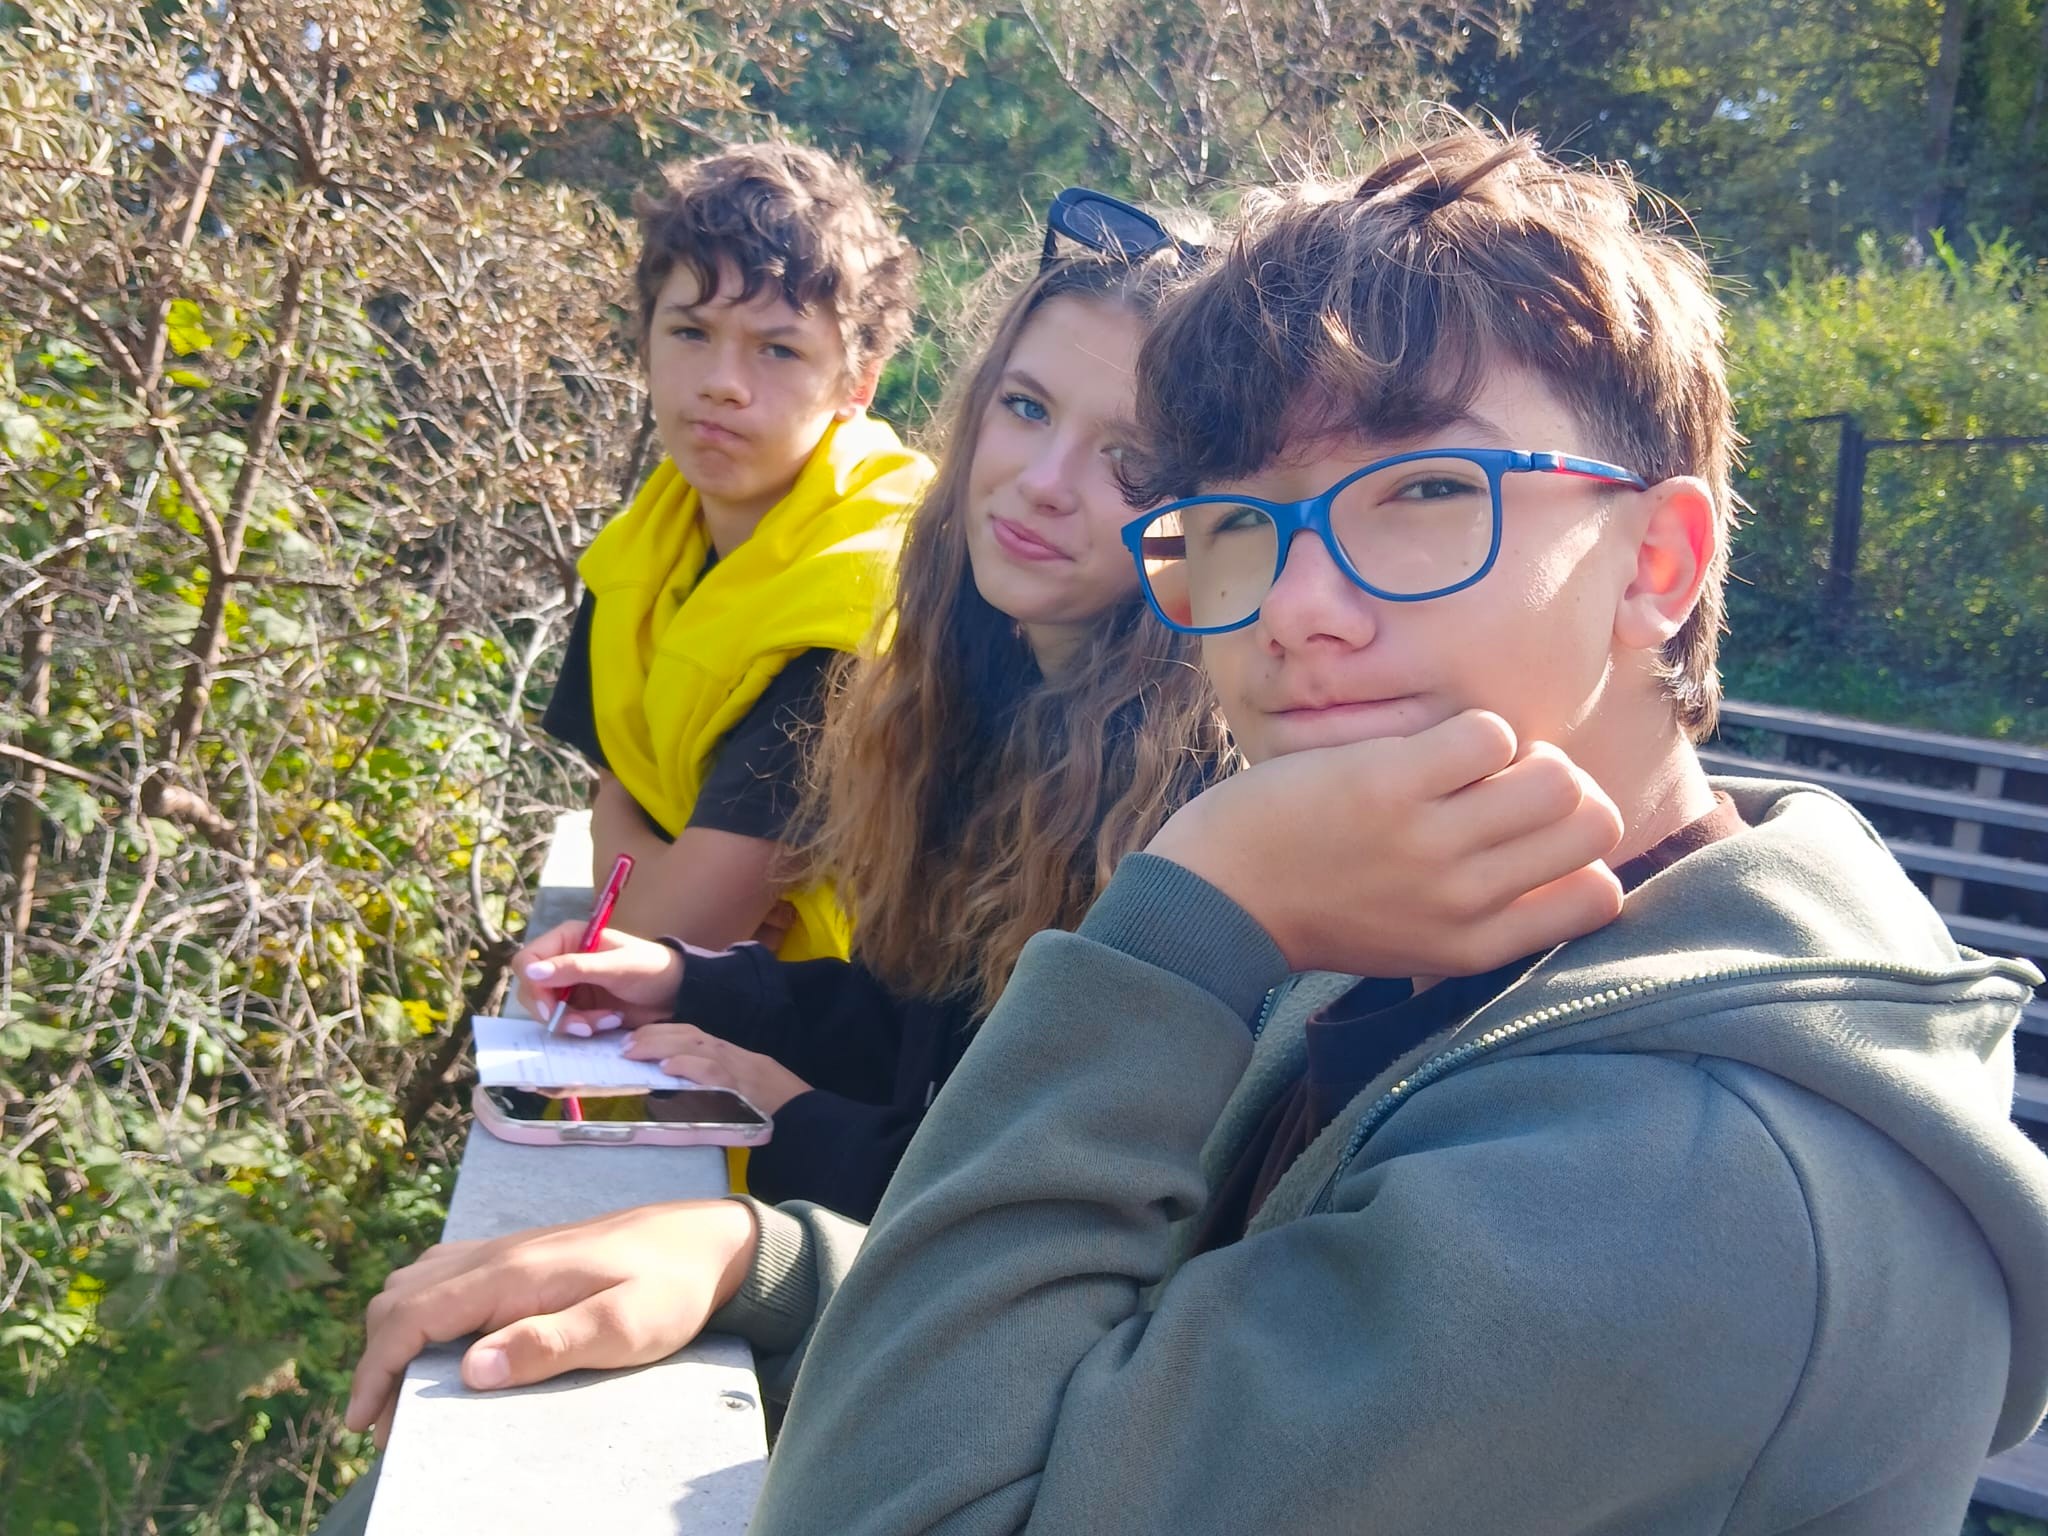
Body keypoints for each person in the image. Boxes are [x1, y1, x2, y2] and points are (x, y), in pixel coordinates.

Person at [342, 125, 2048, 1535]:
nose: (1292, 608)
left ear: (1656, 566)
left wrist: (1187, 912)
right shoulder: (1436, 941)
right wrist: (771, 1256)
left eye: (1422, 494)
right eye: (1235, 524)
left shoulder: (1691, 1193)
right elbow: (1163, 1347)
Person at [513, 196, 1226, 1221]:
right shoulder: (979, 688)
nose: (1042, 482)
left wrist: (791, 1117)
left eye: (1131, 460)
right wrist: (686, 982)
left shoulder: (1191, 808)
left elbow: (1050, 1206)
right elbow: (916, 1025)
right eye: (1026, 408)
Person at [541, 141, 931, 954]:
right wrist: (670, 885)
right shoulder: (638, 557)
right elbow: (621, 821)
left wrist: (666, 890)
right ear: (645, 341)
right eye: (690, 331)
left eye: (778, 349)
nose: (722, 381)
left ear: (858, 382)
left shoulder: (860, 589)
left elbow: (678, 932)